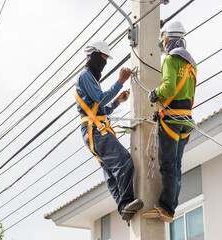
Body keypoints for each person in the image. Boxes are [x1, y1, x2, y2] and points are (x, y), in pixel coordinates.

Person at [74, 40, 143, 222]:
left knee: (111, 173)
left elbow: (100, 107)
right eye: (103, 58)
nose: (104, 62)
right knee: (125, 162)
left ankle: (124, 211)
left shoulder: (92, 79)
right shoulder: (86, 76)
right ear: (95, 56)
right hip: (95, 131)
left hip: (93, 131)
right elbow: (101, 99)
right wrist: (120, 81)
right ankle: (126, 201)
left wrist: (117, 102)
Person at [143, 20, 197, 223]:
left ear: (169, 38)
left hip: (172, 120)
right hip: (186, 120)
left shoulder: (169, 61)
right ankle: (170, 207)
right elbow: (189, 93)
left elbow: (169, 88)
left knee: (168, 165)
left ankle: (166, 207)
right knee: (176, 165)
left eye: (163, 38)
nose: (162, 42)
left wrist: (154, 94)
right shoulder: (191, 63)